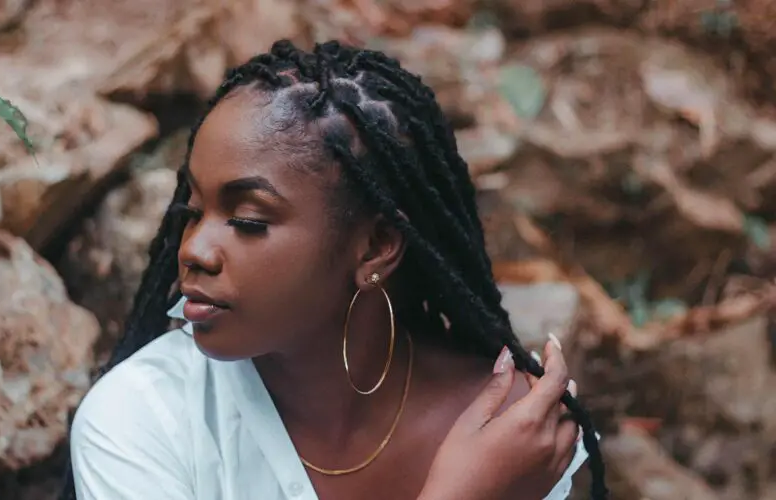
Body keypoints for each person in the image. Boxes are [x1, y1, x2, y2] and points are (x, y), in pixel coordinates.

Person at [65, 40, 607, 500]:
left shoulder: (512, 428)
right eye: (191, 211)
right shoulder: (145, 419)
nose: (194, 250)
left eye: (248, 220)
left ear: (374, 248)